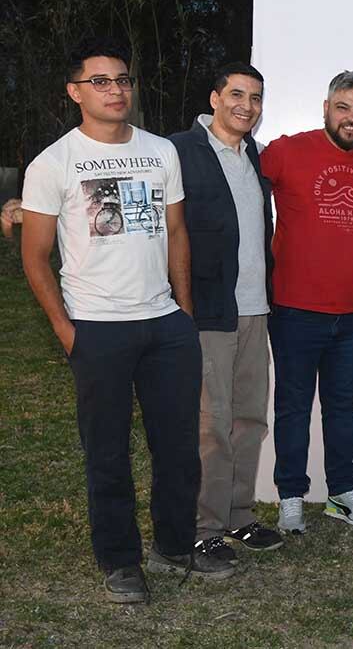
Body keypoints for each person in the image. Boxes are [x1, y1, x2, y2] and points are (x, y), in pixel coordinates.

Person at [21, 37, 234, 604]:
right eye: (100, 81)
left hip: (165, 324)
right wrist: (67, 331)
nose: (115, 90)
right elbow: (34, 256)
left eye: (122, 80)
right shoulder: (54, 163)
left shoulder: (161, 151)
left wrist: (183, 315)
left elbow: (177, 234)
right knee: (108, 452)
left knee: (178, 448)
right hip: (96, 327)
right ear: (75, 92)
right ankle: (119, 560)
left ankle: (174, 542)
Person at [261, 71, 353, 534]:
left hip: (352, 315)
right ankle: (291, 497)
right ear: (326, 108)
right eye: (343, 107)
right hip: (294, 310)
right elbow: (227, 177)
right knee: (293, 407)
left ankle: (341, 493)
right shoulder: (286, 151)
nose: (352, 118)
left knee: (341, 407)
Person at [169, 62, 283, 564]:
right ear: (214, 98)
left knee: (249, 418)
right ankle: (203, 524)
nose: (246, 106)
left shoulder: (250, 154)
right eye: (236, 94)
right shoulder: (179, 151)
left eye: (255, 98)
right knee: (210, 423)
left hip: (256, 308)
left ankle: (239, 515)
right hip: (208, 311)